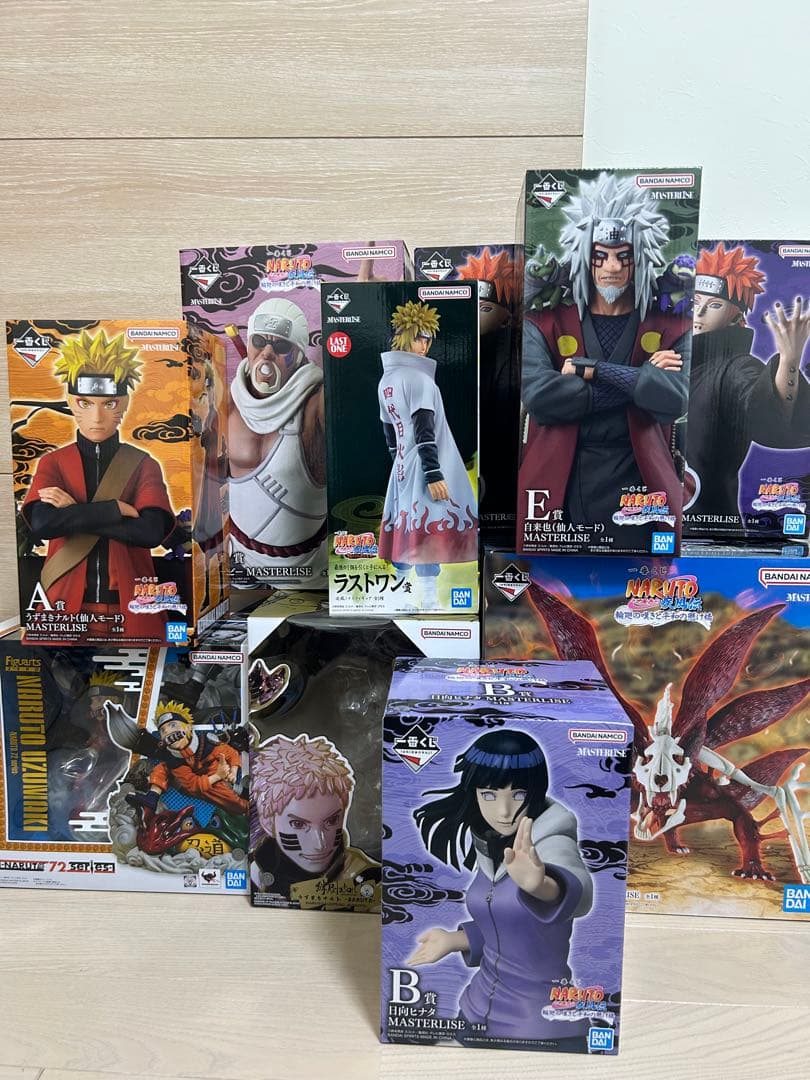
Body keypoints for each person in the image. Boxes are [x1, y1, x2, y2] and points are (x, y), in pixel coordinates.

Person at [517, 172, 690, 545]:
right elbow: (540, 399)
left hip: (643, 482)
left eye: (623, 257)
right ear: (585, 256)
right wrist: (641, 379)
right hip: (559, 480)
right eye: (601, 256)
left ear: (639, 259)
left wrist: (593, 370)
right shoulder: (544, 320)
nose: (612, 267)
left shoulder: (671, 323)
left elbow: (674, 399)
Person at [410, 729, 593, 1048]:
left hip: (539, 1024)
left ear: (536, 792)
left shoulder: (551, 841)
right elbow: (506, 928)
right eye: (489, 795)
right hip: (475, 1011)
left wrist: (542, 885)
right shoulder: (491, 847)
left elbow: (579, 894)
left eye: (518, 794)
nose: (504, 811)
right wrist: (454, 940)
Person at [22, 328, 175, 639]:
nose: (96, 417)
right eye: (85, 403)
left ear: (124, 403)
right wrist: (115, 509)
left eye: (109, 404)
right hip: (62, 606)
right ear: (70, 402)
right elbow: (42, 524)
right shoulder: (53, 463)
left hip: (133, 604)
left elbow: (150, 532)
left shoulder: (143, 464)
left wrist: (74, 512)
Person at [687, 242, 810, 526]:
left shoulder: (735, 368)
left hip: (709, 525)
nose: (699, 313)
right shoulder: (671, 357)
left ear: (736, 317)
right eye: (695, 302)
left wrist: (789, 361)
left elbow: (766, 417)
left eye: (714, 305)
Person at [378, 300, 478, 609]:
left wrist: (399, 461)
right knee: (427, 528)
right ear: (404, 337)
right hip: (425, 465)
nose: (425, 345)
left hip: (403, 465)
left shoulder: (386, 381)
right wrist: (434, 473)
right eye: (420, 337)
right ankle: (427, 599)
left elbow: (389, 432)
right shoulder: (419, 379)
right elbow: (425, 429)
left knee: (407, 528)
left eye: (428, 339)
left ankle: (404, 596)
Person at [227, 297, 326, 586]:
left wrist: (361, 305)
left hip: (308, 573)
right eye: (259, 342)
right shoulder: (227, 400)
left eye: (281, 346)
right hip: (239, 564)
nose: (267, 353)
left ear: (299, 355)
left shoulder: (316, 404)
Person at [250, 733, 379, 905]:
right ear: (268, 822)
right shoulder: (250, 873)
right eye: (298, 824)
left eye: (331, 821)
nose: (320, 844)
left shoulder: (367, 877)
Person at [127, 700, 248, 819]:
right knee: (164, 767)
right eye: (163, 730)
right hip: (194, 784)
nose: (167, 731)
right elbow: (193, 785)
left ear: (188, 728)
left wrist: (233, 772)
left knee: (236, 804)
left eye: (172, 725)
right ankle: (152, 797)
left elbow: (232, 754)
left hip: (213, 777)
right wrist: (217, 776)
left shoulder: (207, 743)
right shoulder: (174, 759)